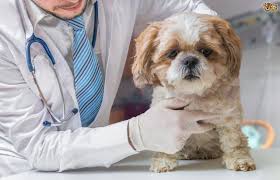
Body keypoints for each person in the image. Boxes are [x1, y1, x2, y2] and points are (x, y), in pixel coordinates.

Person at [0, 0, 218, 177]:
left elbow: (190, 10)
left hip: (96, 166)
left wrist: (219, 55)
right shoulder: (5, 28)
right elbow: (38, 147)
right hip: (26, 170)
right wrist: (136, 134)